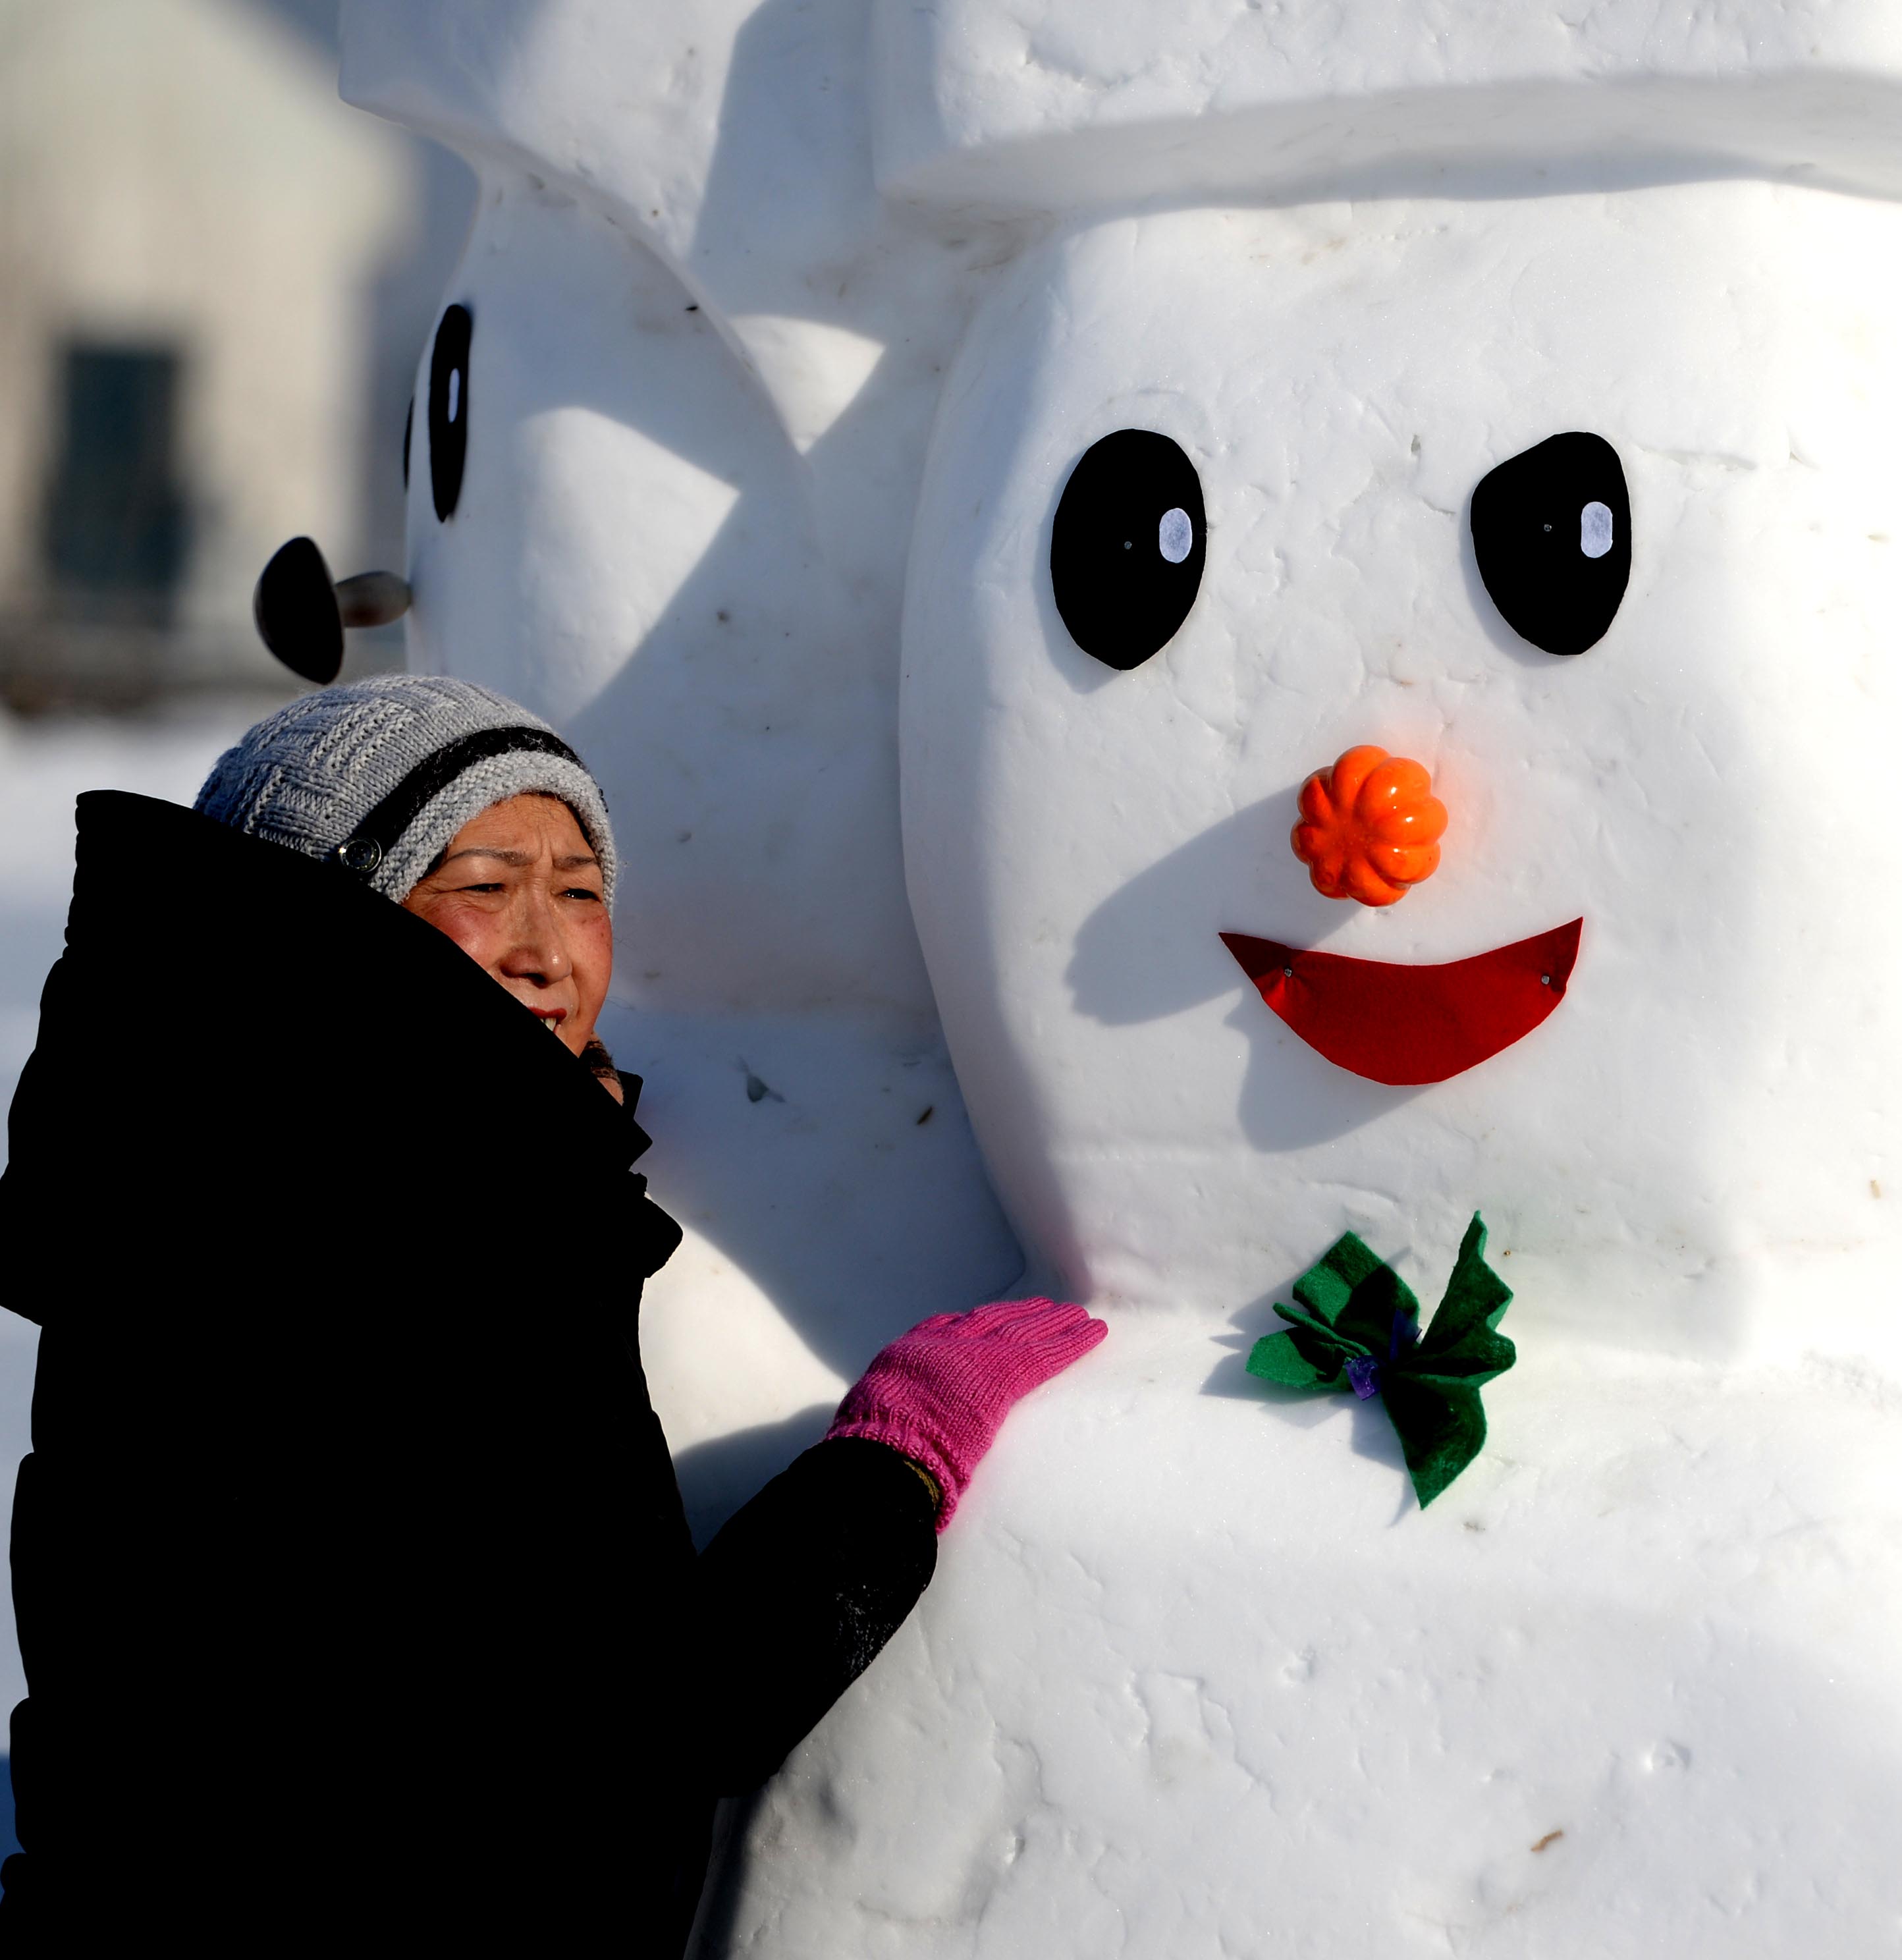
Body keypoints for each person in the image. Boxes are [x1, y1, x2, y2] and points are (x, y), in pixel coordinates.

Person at [0, 675, 1106, 1954]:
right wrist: (894, 1463)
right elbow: (637, 1720)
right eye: (480, 882)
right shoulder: (393, 1241)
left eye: (581, 890)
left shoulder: (217, 1171)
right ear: (326, 920)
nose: (549, 945)